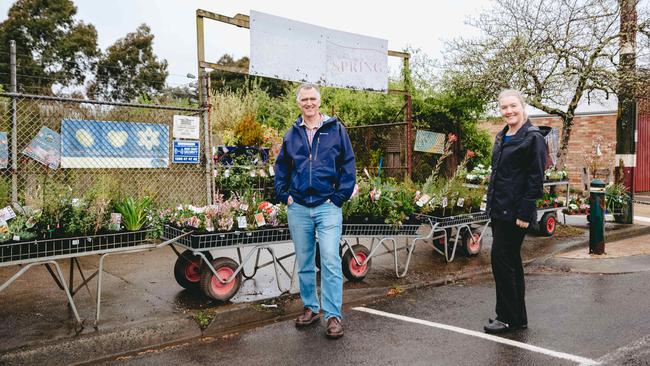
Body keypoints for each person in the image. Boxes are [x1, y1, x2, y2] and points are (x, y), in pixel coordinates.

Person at [275, 83, 356, 339]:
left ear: (319, 102)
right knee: (305, 262)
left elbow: (348, 164)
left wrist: (339, 196)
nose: (308, 103)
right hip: (298, 206)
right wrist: (284, 194)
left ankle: (333, 315)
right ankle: (311, 308)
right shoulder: (292, 134)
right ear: (298, 103)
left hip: (327, 206)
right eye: (304, 100)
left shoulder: (335, 130)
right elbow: (282, 167)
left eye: (312, 99)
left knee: (331, 260)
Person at [484, 89, 549, 334]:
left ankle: (507, 317)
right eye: (504, 108)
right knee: (510, 261)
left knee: (501, 261)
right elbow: (499, 174)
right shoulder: (503, 136)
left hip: (515, 212)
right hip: (499, 209)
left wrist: (525, 212)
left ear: (523, 106)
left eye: (513, 106)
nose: (509, 111)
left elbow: (535, 179)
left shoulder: (532, 138)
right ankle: (517, 317)